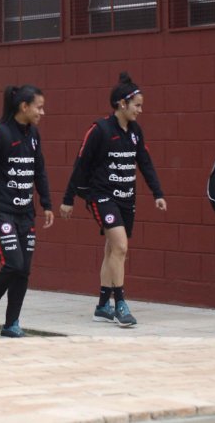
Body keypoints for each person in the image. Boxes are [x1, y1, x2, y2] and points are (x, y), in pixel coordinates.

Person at [59, 72, 166, 327]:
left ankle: (101, 307)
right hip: (102, 196)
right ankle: (120, 304)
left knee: (112, 251)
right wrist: (68, 198)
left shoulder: (135, 132)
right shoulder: (99, 130)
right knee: (120, 247)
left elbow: (146, 163)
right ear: (122, 104)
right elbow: (81, 164)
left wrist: (158, 193)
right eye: (137, 105)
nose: (140, 110)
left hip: (127, 199)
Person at [0, 85, 54, 338]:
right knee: (13, 263)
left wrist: (46, 204)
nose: (42, 112)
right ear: (24, 107)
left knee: (24, 269)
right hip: (1, 212)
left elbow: (39, 170)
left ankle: (12, 323)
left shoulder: (34, 135)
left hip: (26, 214)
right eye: (39, 107)